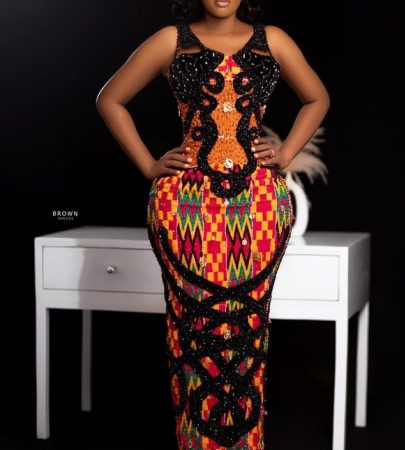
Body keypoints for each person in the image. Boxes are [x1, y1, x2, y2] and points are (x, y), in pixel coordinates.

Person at [96, 0, 330, 448]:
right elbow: (110, 100)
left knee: (248, 326)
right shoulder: (170, 41)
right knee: (191, 325)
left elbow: (318, 98)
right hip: (184, 206)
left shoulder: (273, 40)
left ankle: (245, 442)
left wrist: (285, 154)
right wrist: (148, 165)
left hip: (260, 206)